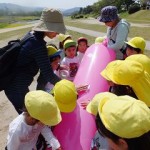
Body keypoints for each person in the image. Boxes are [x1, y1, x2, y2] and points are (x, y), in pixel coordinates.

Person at [4, 8, 66, 114]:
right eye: (56, 29)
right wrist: (68, 86)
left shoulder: (31, 35)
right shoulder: (38, 44)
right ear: (47, 27)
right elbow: (49, 75)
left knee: (30, 115)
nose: (58, 32)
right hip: (17, 88)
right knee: (30, 117)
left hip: (14, 86)